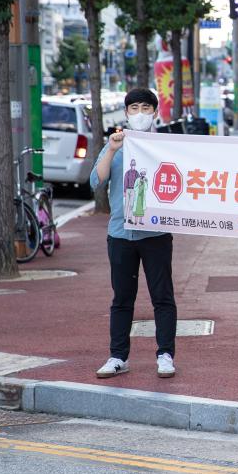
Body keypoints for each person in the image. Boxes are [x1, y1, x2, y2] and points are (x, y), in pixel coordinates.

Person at [90, 87, 177, 380]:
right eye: (134, 108)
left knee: (162, 296)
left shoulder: (166, 145)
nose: (140, 114)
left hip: (156, 234)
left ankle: (165, 355)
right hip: (120, 234)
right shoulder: (116, 145)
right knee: (122, 298)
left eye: (146, 108)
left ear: (155, 112)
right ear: (126, 113)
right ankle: (118, 357)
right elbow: (96, 181)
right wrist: (112, 149)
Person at [123, 159, 139, 224]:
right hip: (128, 190)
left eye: (134, 164)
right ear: (130, 165)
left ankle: (129, 218)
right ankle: (124, 218)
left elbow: (138, 182)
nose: (133, 165)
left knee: (131, 205)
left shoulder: (136, 173)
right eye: (132, 164)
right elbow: (125, 182)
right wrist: (124, 191)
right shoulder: (127, 173)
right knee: (126, 204)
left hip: (133, 190)